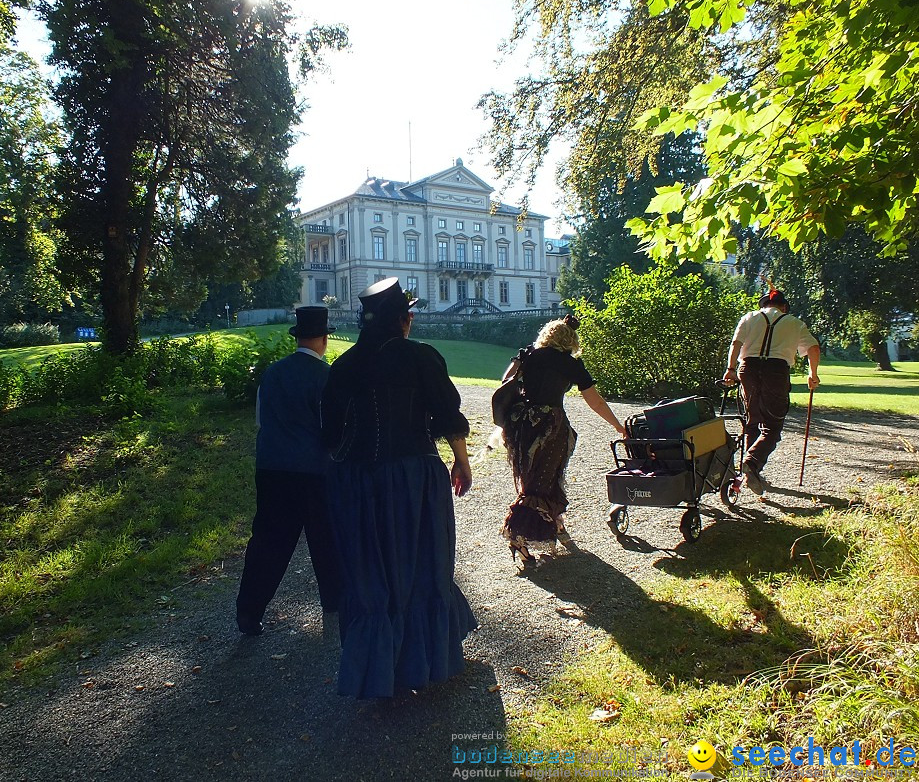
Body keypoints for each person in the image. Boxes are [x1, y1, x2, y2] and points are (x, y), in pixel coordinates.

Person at [320, 277, 476, 699]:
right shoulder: (421, 357)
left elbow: (330, 434)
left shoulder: (345, 364)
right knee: (423, 559)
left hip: (356, 480)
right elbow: (448, 416)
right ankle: (420, 663)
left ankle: (376, 668)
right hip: (412, 477)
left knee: (372, 570)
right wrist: (462, 462)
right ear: (404, 320)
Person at [235, 306, 343, 636]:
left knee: (269, 541)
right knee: (326, 539)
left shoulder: (272, 373)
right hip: (314, 470)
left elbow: (260, 420)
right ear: (324, 340)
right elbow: (332, 432)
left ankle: (249, 611)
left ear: (298, 338)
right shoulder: (327, 378)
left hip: (271, 466)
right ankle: (334, 604)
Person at [499, 315, 626, 565]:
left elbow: (505, 383)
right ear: (571, 341)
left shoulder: (528, 355)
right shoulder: (570, 364)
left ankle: (555, 524)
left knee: (532, 477)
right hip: (550, 427)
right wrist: (618, 425)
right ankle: (518, 537)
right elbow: (595, 401)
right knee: (543, 480)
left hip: (522, 424)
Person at [722, 289, 820, 496]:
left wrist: (731, 370)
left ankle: (751, 470)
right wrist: (813, 374)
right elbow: (813, 348)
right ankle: (752, 463)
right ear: (783, 307)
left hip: (748, 368)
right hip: (776, 371)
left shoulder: (750, 317)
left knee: (752, 419)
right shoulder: (794, 322)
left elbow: (736, 344)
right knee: (773, 425)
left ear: (763, 305)